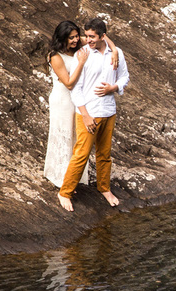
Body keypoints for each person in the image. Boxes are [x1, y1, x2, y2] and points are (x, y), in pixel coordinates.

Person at [58, 17, 129, 211]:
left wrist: (114, 87)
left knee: (104, 154)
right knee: (81, 154)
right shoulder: (82, 54)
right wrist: (85, 115)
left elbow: (124, 77)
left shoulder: (117, 53)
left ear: (102, 36)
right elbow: (76, 88)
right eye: (86, 35)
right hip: (88, 112)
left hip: (109, 111)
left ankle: (104, 188)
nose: (87, 39)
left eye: (92, 36)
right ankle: (64, 192)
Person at [43, 21, 117, 196]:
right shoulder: (55, 56)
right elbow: (68, 83)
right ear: (63, 38)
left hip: (79, 99)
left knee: (77, 138)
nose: (76, 40)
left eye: (77, 36)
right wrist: (81, 63)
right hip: (63, 100)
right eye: (71, 38)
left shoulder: (79, 43)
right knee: (63, 134)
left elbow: (103, 38)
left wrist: (113, 50)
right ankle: (60, 178)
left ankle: (76, 177)